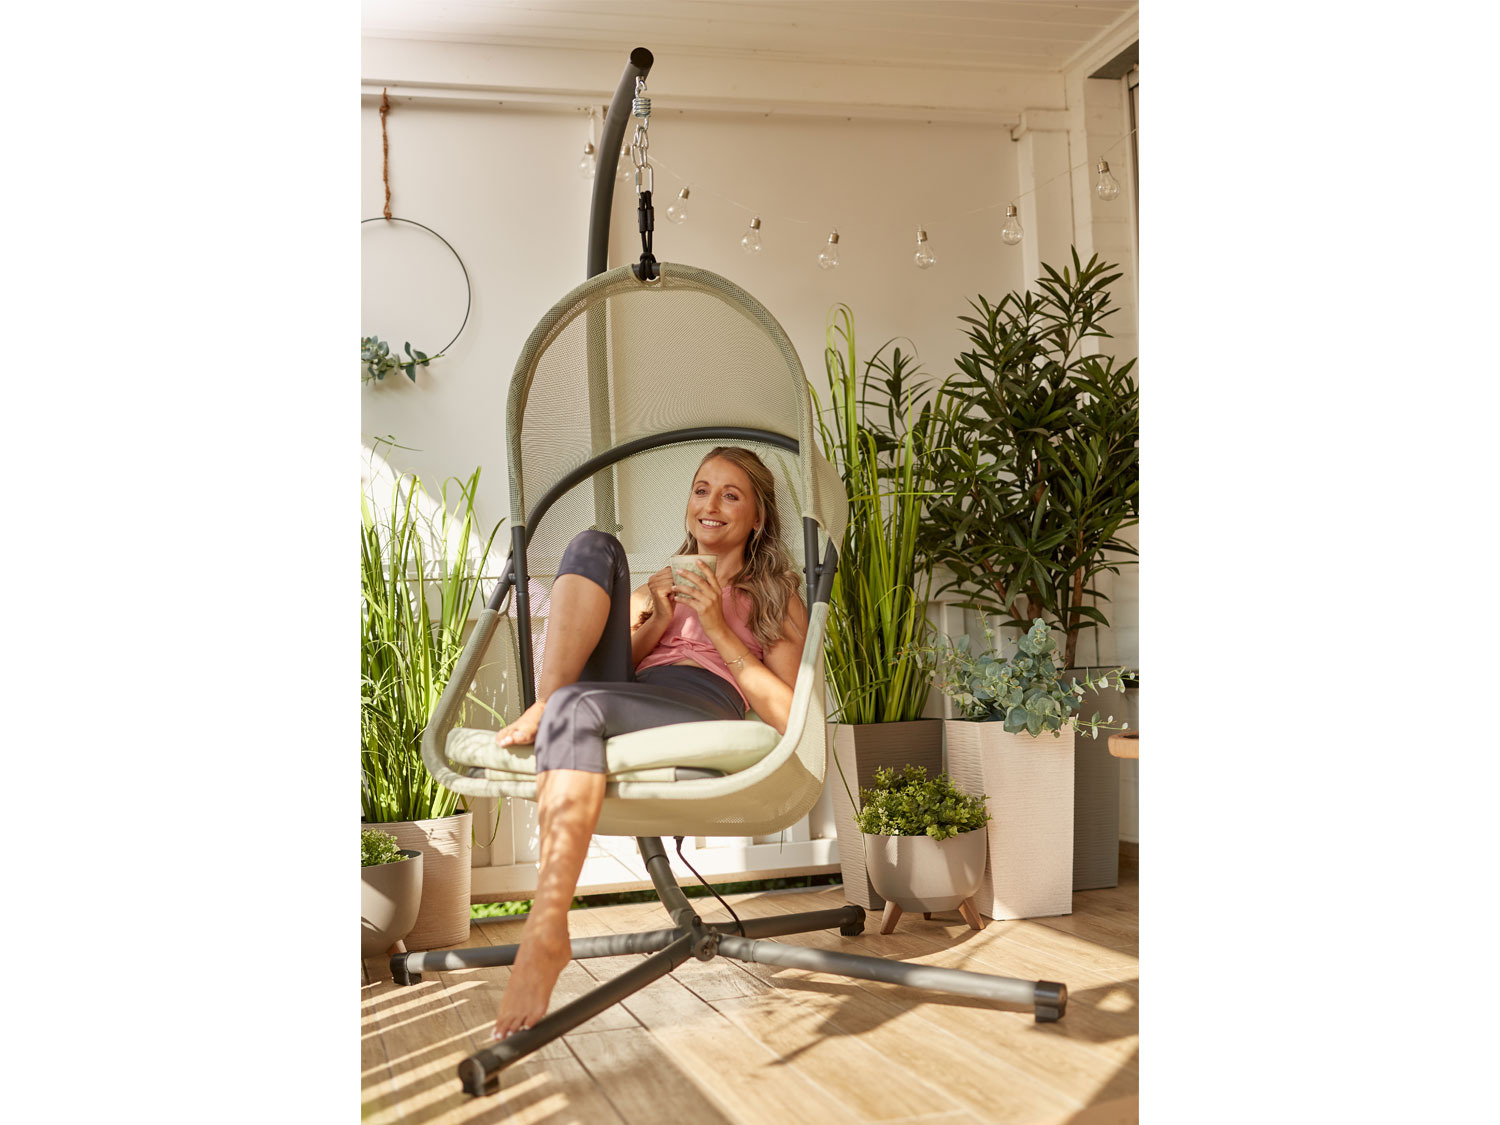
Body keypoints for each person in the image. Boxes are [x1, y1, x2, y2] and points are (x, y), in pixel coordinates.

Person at [489, 446, 809, 1040]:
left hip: (701, 701)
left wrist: (715, 624)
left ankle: (545, 927)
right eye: (701, 489)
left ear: (757, 517)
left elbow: (789, 713)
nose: (710, 504)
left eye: (731, 495)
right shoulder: (662, 582)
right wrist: (656, 620)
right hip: (631, 692)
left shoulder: (777, 595)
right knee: (593, 545)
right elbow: (617, 667)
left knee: (578, 705)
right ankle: (549, 699)